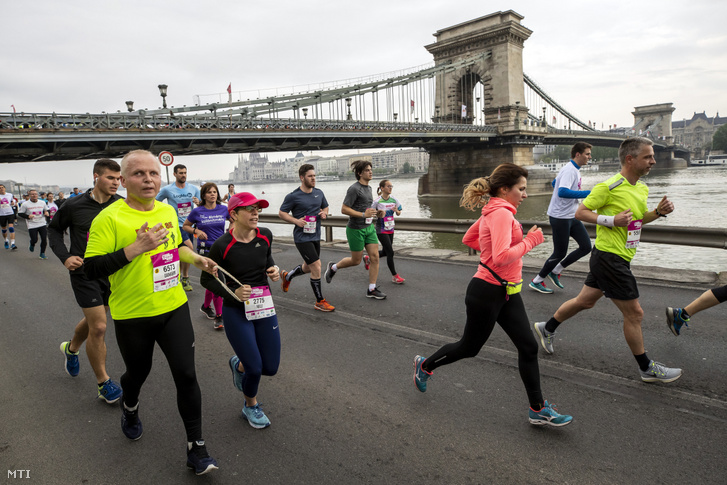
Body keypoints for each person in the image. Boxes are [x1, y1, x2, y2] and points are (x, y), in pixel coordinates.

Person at [84, 149, 218, 475]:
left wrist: (197, 260)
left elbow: (175, 248)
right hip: (133, 314)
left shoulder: (167, 210)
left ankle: (196, 448)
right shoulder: (109, 218)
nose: (148, 179)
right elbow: (91, 268)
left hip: (173, 307)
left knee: (186, 375)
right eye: (139, 174)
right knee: (137, 374)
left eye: (153, 173)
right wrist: (134, 249)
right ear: (124, 180)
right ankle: (130, 407)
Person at [412, 164, 573, 427]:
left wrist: (490, 248)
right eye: (521, 189)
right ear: (504, 189)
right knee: (469, 348)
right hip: (487, 291)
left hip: (507, 291)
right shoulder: (501, 215)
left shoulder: (497, 211)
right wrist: (530, 241)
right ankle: (425, 365)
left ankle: (538, 409)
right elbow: (499, 257)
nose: (525, 194)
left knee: (529, 347)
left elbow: (468, 238)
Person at [533, 137, 682, 384]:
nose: (653, 161)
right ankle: (646, 368)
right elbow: (580, 212)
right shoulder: (609, 186)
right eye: (648, 157)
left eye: (653, 156)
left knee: (584, 301)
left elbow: (635, 222)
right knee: (635, 314)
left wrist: (657, 213)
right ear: (630, 159)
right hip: (609, 258)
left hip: (619, 256)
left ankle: (546, 328)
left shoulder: (641, 189)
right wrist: (611, 220)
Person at [200, 192, 281, 429]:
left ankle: (239, 364)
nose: (256, 213)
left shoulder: (265, 235)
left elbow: (267, 261)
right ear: (234, 214)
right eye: (250, 209)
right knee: (255, 368)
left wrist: (273, 270)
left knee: (270, 368)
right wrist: (231, 293)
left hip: (264, 307)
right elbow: (207, 280)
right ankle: (250, 405)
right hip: (236, 311)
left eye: (258, 209)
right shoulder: (221, 246)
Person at [48, 159, 124, 404]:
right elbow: (53, 230)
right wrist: (65, 257)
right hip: (84, 272)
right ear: (96, 177)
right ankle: (103, 383)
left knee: (97, 317)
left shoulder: (122, 205)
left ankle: (71, 349)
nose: (116, 182)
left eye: (118, 178)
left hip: (112, 272)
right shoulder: (73, 205)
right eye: (110, 177)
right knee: (100, 326)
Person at [529, 142, 593, 294]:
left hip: (572, 215)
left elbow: (554, 183)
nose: (590, 157)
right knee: (559, 252)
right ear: (578, 154)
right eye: (587, 154)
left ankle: (556, 270)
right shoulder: (570, 170)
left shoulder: (572, 169)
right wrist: (587, 193)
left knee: (586, 247)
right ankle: (537, 280)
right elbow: (562, 192)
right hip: (560, 217)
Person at [324, 160, 386, 300]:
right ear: (359, 173)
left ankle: (371, 289)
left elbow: (366, 208)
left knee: (375, 257)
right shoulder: (354, 188)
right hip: (355, 229)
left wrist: (377, 212)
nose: (371, 172)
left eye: (371, 169)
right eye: (367, 170)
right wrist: (363, 215)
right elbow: (344, 209)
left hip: (369, 228)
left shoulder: (369, 188)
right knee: (356, 260)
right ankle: (333, 267)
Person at [278, 164, 335, 311]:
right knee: (316, 265)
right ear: (302, 177)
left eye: (314, 176)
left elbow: (325, 207)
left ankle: (288, 276)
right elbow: (282, 213)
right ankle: (319, 301)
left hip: (315, 235)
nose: (313, 178)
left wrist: (324, 213)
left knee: (308, 267)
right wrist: (296, 221)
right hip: (302, 237)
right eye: (310, 176)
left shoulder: (319, 193)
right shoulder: (293, 196)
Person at [183, 182, 229, 329]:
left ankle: (205, 306)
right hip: (205, 250)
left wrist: (231, 232)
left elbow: (234, 221)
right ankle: (219, 316)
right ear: (203, 195)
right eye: (209, 192)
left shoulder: (223, 209)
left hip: (221, 249)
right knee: (217, 281)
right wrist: (196, 232)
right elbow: (186, 226)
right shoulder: (198, 211)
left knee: (211, 279)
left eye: (215, 192)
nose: (212, 194)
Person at [156, 164, 201, 292]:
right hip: (176, 226)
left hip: (189, 225)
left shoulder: (193, 188)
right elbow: (155, 202)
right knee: (189, 249)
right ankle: (181, 277)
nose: (183, 175)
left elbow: (203, 203)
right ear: (174, 174)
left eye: (185, 172)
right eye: (180, 173)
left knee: (183, 252)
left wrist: (199, 203)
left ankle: (183, 277)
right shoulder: (167, 189)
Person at [371, 179, 405, 284]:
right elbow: (371, 213)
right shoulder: (377, 201)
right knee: (390, 252)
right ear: (382, 188)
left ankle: (368, 258)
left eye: (391, 186)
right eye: (388, 186)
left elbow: (399, 212)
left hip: (390, 228)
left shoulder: (394, 200)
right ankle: (395, 276)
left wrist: (397, 211)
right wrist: (379, 214)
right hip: (381, 229)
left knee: (386, 252)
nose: (390, 188)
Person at [17, 189, 49, 259]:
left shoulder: (42, 203)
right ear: (29, 195)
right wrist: (28, 216)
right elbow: (20, 213)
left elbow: (46, 209)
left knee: (44, 239)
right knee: (34, 239)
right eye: (32, 194)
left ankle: (42, 253)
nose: (34, 195)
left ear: (37, 195)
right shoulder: (25, 204)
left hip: (42, 223)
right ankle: (32, 244)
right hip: (32, 224)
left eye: (35, 194)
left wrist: (46, 212)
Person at [0, 184, 18, 250]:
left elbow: (13, 201)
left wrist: (13, 202)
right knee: (4, 229)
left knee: (11, 228)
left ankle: (13, 243)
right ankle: (6, 240)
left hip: (10, 213)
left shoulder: (9, 195)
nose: (1, 189)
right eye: (0, 188)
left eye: (2, 187)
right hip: (1, 214)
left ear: (5, 188)